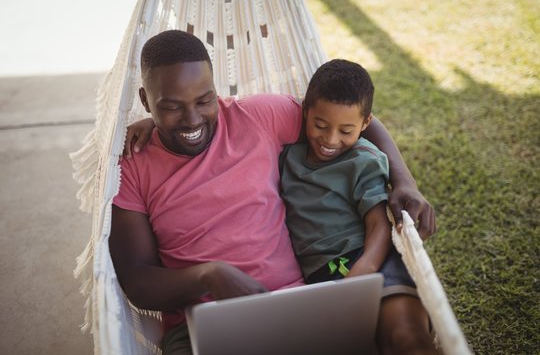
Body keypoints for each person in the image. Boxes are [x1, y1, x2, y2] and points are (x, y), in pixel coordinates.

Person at [111, 30, 436, 354]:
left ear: (215, 89)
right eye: (171, 106)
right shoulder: (132, 166)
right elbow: (137, 281)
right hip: (200, 322)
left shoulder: (257, 117)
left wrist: (405, 181)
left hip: (297, 303)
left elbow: (355, 119)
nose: (193, 118)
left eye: (204, 99)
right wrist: (207, 276)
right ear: (145, 101)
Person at [280, 59, 436, 353]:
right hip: (322, 276)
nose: (330, 139)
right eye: (320, 125)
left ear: (365, 124)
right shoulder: (288, 157)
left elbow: (378, 222)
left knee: (406, 339)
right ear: (305, 111)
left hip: (373, 259)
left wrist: (365, 267)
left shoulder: (362, 160)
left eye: (346, 130)